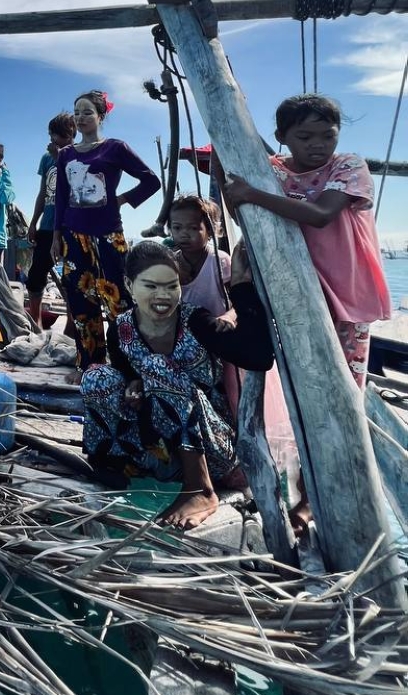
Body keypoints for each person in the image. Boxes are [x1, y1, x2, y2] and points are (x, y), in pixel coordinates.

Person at [81, 240, 275, 529]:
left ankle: (200, 488)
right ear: (129, 285)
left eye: (171, 286)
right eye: (151, 286)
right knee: (97, 377)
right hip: (155, 447)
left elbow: (259, 357)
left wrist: (241, 285)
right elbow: (124, 368)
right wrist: (134, 384)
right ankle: (111, 465)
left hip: (212, 448)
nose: (164, 296)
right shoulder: (121, 328)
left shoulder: (195, 320)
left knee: (157, 365)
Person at [220, 93, 391, 389]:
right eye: (305, 136)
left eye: (328, 136)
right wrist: (234, 188)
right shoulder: (269, 170)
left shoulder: (348, 166)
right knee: (307, 376)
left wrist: (252, 194)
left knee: (347, 381)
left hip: (347, 286)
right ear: (281, 137)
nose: (318, 144)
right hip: (295, 283)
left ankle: (348, 434)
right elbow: (243, 215)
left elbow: (321, 214)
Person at [50, 90, 161, 370]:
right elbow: (62, 199)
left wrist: (122, 200)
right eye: (77, 113)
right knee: (81, 306)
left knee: (119, 303)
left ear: (101, 116)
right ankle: (90, 366)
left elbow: (151, 181)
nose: (81, 118)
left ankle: (128, 367)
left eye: (87, 112)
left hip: (109, 235)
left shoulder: (115, 148)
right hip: (73, 237)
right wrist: (56, 237)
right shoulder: (65, 155)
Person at [26, 112, 76, 329]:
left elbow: (77, 187)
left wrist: (60, 157)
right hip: (47, 225)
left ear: (71, 135)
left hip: (71, 226)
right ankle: (35, 323)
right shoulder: (46, 159)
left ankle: (72, 326)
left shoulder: (78, 155)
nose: (53, 140)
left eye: (58, 136)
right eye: (51, 135)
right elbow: (43, 193)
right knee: (36, 275)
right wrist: (33, 221)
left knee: (73, 279)